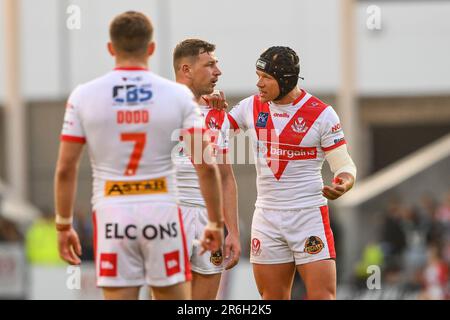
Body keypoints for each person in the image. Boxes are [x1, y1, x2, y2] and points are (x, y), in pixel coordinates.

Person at [54, 11, 224, 300]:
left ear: (111, 49)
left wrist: (63, 224)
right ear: (151, 48)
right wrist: (216, 223)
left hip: (114, 214)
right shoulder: (177, 96)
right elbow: (206, 167)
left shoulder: (84, 96)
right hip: (162, 214)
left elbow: (66, 169)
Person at [211, 46, 357, 299]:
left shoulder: (322, 114)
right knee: (271, 297)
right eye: (258, 75)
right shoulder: (250, 107)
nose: (259, 83)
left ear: (286, 79)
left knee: (322, 296)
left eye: (266, 77)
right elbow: (216, 135)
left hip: (308, 215)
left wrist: (343, 183)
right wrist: (212, 114)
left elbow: (344, 166)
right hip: (267, 217)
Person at [172, 39, 241, 299]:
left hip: (207, 220)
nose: (218, 72)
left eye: (216, 64)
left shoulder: (216, 115)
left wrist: (232, 232)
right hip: (170, 215)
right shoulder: (160, 106)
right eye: (210, 64)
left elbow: (225, 178)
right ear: (186, 69)